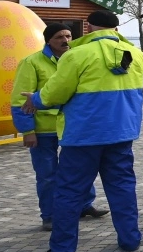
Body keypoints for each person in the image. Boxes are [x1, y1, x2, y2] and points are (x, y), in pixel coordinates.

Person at [22, 11, 143, 252]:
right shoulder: (136, 55)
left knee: (68, 193)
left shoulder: (75, 55)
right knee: (122, 187)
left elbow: (55, 93)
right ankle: (130, 239)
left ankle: (61, 251)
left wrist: (34, 100)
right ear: (116, 28)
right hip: (121, 135)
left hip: (82, 137)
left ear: (89, 27)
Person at [12, 23, 108, 231]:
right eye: (59, 37)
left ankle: (84, 205)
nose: (65, 40)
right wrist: (28, 130)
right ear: (48, 41)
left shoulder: (76, 57)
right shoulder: (31, 62)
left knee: (79, 169)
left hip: (71, 126)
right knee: (47, 174)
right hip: (43, 129)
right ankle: (49, 215)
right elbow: (20, 99)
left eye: (68, 35)